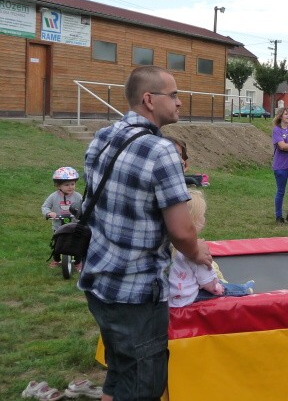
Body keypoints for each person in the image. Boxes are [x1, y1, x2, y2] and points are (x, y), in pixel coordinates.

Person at [79, 65, 212, 401]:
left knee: (119, 371)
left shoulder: (104, 136)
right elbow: (182, 231)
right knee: (142, 387)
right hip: (137, 293)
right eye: (175, 94)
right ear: (150, 99)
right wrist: (198, 253)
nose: (180, 102)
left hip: (98, 283)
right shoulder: (161, 150)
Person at [169, 190, 254, 307]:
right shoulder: (194, 249)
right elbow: (208, 282)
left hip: (168, 298)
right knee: (226, 288)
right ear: (195, 221)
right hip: (187, 298)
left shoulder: (168, 245)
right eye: (202, 216)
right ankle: (244, 290)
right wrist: (217, 287)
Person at [41, 166, 83, 269]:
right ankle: (56, 259)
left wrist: (83, 214)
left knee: (76, 243)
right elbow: (45, 206)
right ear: (58, 185)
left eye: (73, 184)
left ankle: (78, 262)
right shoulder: (54, 196)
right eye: (67, 185)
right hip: (58, 225)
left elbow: (84, 206)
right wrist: (49, 213)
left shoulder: (77, 196)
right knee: (57, 244)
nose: (70, 187)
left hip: (75, 225)